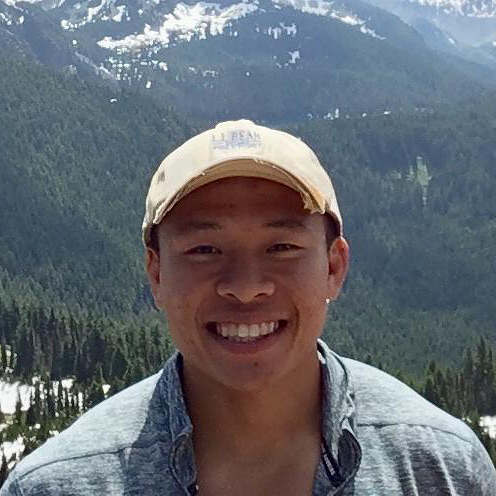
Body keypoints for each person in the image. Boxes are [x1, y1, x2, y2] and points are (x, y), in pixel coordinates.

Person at [2, 119, 495, 495]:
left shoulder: (441, 468)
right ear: (156, 274)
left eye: (280, 247)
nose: (245, 287)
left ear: (334, 266)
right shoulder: (60, 483)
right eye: (204, 250)